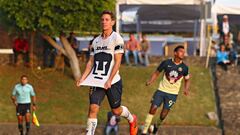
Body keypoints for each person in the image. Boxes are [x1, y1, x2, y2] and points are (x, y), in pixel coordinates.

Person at [76, 10, 138, 135]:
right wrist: (82, 78)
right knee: (93, 108)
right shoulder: (96, 41)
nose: (104, 22)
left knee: (116, 111)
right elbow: (91, 62)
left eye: (107, 19)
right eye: (102, 19)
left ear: (113, 22)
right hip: (97, 81)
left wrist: (109, 80)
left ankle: (132, 119)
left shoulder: (117, 38)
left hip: (113, 82)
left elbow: (118, 61)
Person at [141, 45, 190, 135]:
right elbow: (157, 72)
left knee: (163, 115)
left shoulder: (185, 68)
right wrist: (150, 81)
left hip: (173, 94)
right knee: (153, 108)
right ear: (175, 53)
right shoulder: (166, 63)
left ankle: (155, 127)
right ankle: (144, 131)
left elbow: (187, 80)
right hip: (161, 90)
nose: (183, 53)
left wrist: (186, 89)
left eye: (184, 52)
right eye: (181, 51)